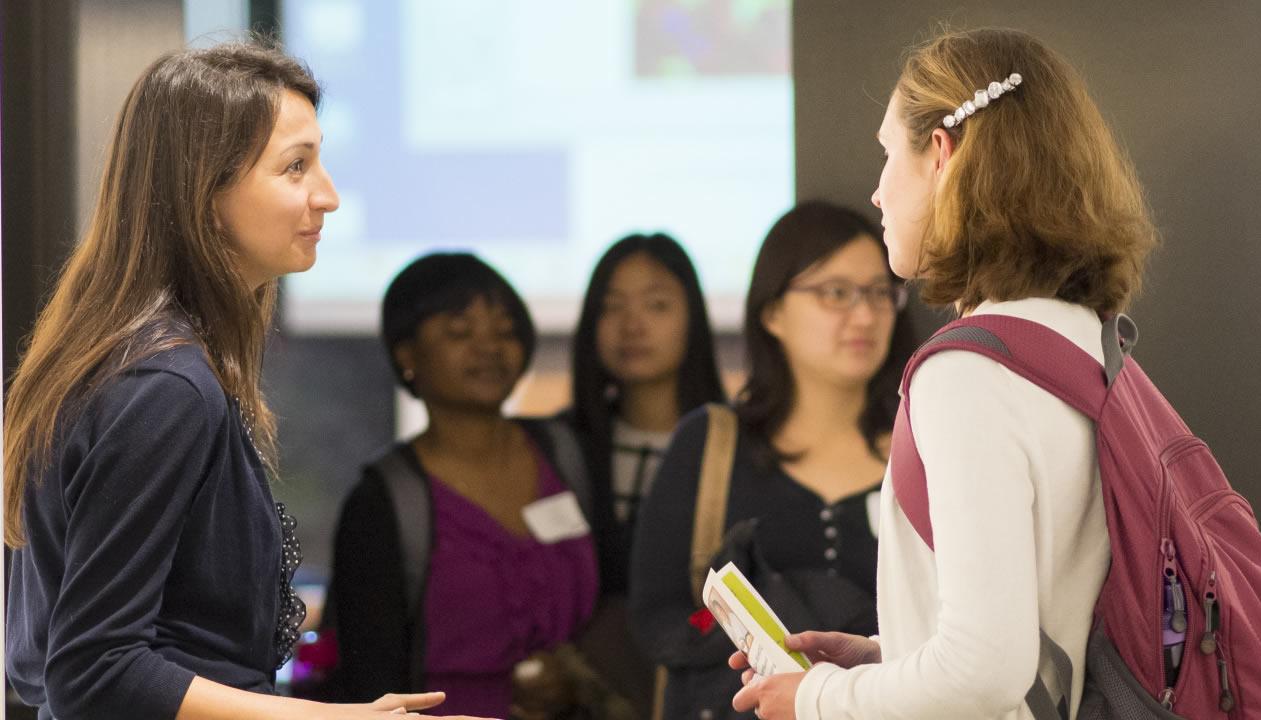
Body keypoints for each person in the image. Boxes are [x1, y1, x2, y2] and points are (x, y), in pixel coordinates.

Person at [3, 41, 489, 720]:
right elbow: (92, 671)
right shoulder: (164, 386)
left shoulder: (129, 360)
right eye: (295, 167)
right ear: (205, 192)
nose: (329, 195)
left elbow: (45, 658)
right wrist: (339, 718)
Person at [731, 27, 1158, 720]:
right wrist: (891, 654)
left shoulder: (968, 372)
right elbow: (1041, 620)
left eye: (886, 154)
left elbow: (985, 670)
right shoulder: (1081, 337)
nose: (876, 192)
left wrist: (817, 697)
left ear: (940, 154)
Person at [629, 201, 916, 719]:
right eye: (835, 293)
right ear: (772, 311)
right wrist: (767, 644)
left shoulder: (923, 443)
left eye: (880, 292)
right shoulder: (710, 442)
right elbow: (658, 616)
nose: (866, 314)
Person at [328, 253, 600, 718]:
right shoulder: (384, 502)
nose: (489, 346)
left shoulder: (566, 453)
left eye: (505, 329)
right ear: (407, 353)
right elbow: (366, 679)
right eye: (459, 331)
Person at [564, 233, 727, 716]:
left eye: (657, 305)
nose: (632, 325)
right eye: (612, 307)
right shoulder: (560, 444)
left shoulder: (731, 444)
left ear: (692, 320)